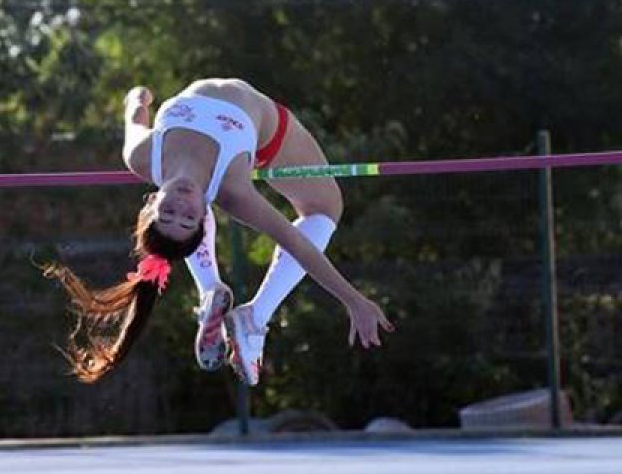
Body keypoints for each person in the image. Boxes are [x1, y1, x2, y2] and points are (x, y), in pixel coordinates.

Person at [45, 78, 393, 385]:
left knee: (199, 195)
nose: (181, 205)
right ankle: (255, 315)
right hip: (268, 133)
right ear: (202, 219)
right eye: (187, 219)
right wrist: (354, 300)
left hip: (236, 133)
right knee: (326, 209)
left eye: (168, 213)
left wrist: (137, 98)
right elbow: (299, 245)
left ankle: (210, 288)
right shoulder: (234, 192)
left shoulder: (140, 156)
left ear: (151, 203)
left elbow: (135, 115)